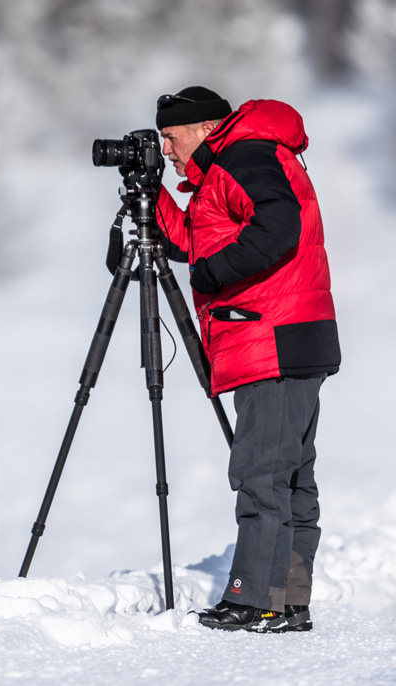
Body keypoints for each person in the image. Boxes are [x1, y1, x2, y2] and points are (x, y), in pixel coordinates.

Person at [154, 87, 341, 633]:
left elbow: (277, 226)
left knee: (262, 473)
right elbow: (191, 240)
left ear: (207, 128)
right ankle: (286, 602)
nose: (166, 149)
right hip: (288, 335)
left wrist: (215, 276)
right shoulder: (228, 168)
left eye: (170, 136)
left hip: (272, 337)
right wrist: (148, 194)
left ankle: (255, 599)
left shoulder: (247, 154)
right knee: (289, 476)